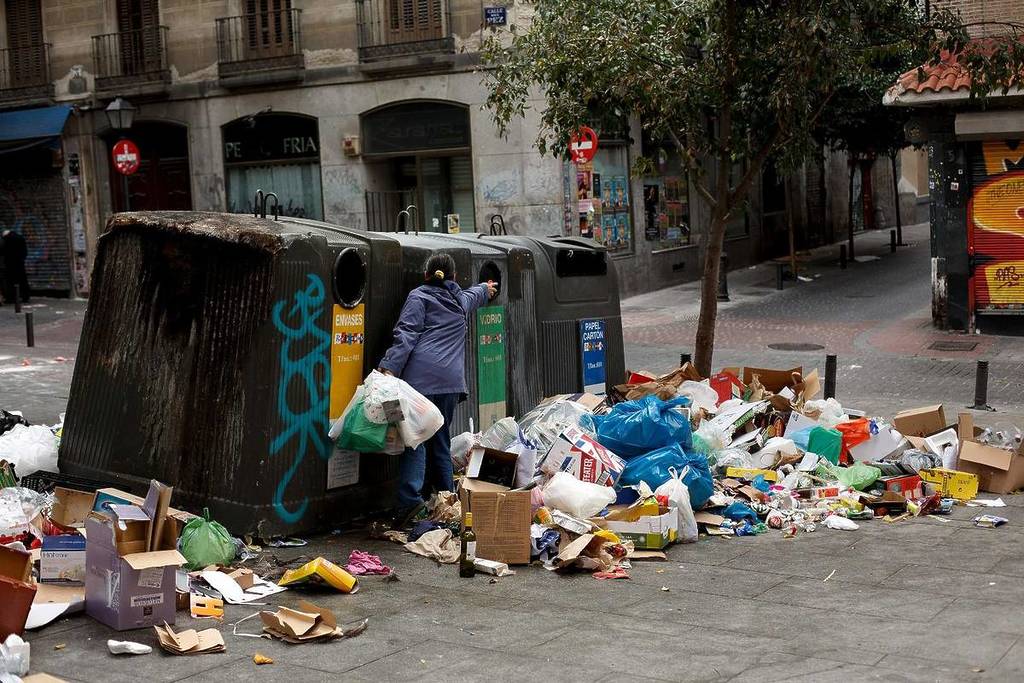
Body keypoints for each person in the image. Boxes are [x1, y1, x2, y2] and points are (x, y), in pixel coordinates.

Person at [378, 253, 497, 520]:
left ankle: (410, 502)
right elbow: (475, 294)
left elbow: (406, 333)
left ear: (426, 275)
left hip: (420, 382)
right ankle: (447, 499)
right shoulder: (459, 301)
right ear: (454, 278)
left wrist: (389, 368)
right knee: (440, 440)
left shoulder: (418, 297)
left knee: (415, 440)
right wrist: (486, 288)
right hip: (450, 384)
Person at [1, 228, 30, 304]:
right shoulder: (20, 237)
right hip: (20, 263)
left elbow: (4, 251)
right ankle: (25, 297)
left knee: (11, 282)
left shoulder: (7, 239)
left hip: (10, 264)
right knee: (22, 280)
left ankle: (11, 298)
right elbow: (25, 251)